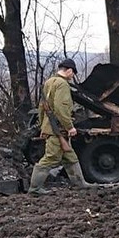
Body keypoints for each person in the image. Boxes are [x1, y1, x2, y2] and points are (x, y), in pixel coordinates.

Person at [29, 57, 90, 194]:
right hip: (58, 128)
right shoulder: (62, 84)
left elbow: (42, 107)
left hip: (51, 126)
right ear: (69, 70)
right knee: (51, 157)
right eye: (73, 72)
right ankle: (35, 188)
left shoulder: (49, 82)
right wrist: (69, 127)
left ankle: (80, 183)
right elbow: (61, 108)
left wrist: (42, 126)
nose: (72, 76)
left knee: (70, 156)